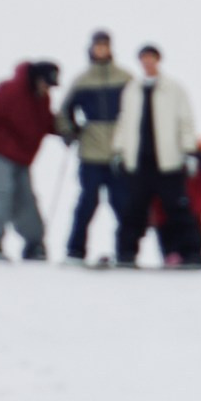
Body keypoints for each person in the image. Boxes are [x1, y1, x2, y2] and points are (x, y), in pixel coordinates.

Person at [112, 45, 201, 266]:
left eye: (151, 58)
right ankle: (126, 254)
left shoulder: (174, 89)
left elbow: (185, 122)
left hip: (168, 163)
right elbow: (124, 123)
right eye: (143, 59)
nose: (147, 63)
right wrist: (118, 150)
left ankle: (191, 254)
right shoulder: (132, 90)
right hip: (139, 163)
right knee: (133, 211)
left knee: (178, 210)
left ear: (158, 60)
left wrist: (189, 151)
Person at [0, 60, 60, 260]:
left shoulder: (43, 98)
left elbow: (46, 122)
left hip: (22, 158)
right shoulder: (10, 91)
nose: (47, 88)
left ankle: (34, 244)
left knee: (26, 201)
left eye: (50, 86)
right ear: (37, 79)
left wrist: (67, 130)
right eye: (46, 83)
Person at [56, 30, 131, 264]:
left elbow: (139, 110)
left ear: (111, 48)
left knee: (122, 203)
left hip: (119, 152)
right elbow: (64, 112)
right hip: (91, 152)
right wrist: (70, 133)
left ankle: (126, 251)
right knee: (87, 202)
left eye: (105, 46)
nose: (101, 49)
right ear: (91, 48)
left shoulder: (126, 78)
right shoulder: (83, 80)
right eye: (97, 46)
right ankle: (75, 250)